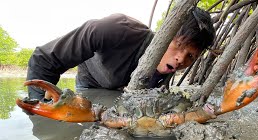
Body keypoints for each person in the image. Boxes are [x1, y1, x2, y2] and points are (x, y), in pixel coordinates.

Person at [26, 7, 215, 100]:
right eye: (178, 45)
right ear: (165, 33)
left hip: (125, 89)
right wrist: (39, 107)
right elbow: (43, 59)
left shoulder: (168, 66)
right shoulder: (113, 29)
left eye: (191, 56)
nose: (181, 59)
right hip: (92, 82)